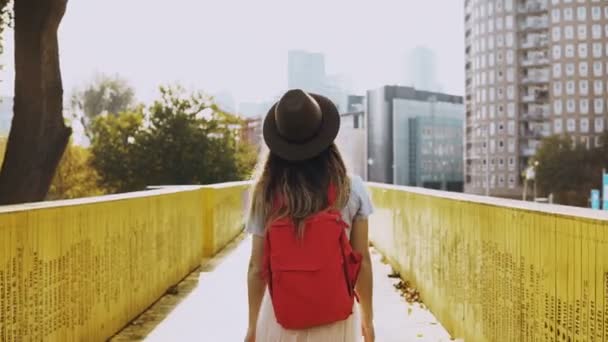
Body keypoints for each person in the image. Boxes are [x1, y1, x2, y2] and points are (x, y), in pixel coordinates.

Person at [244, 89, 375, 342]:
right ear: (325, 137)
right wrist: (368, 321)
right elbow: (363, 263)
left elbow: (256, 268)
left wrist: (252, 327)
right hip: (337, 319)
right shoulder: (353, 188)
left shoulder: (266, 193)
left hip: (281, 317)